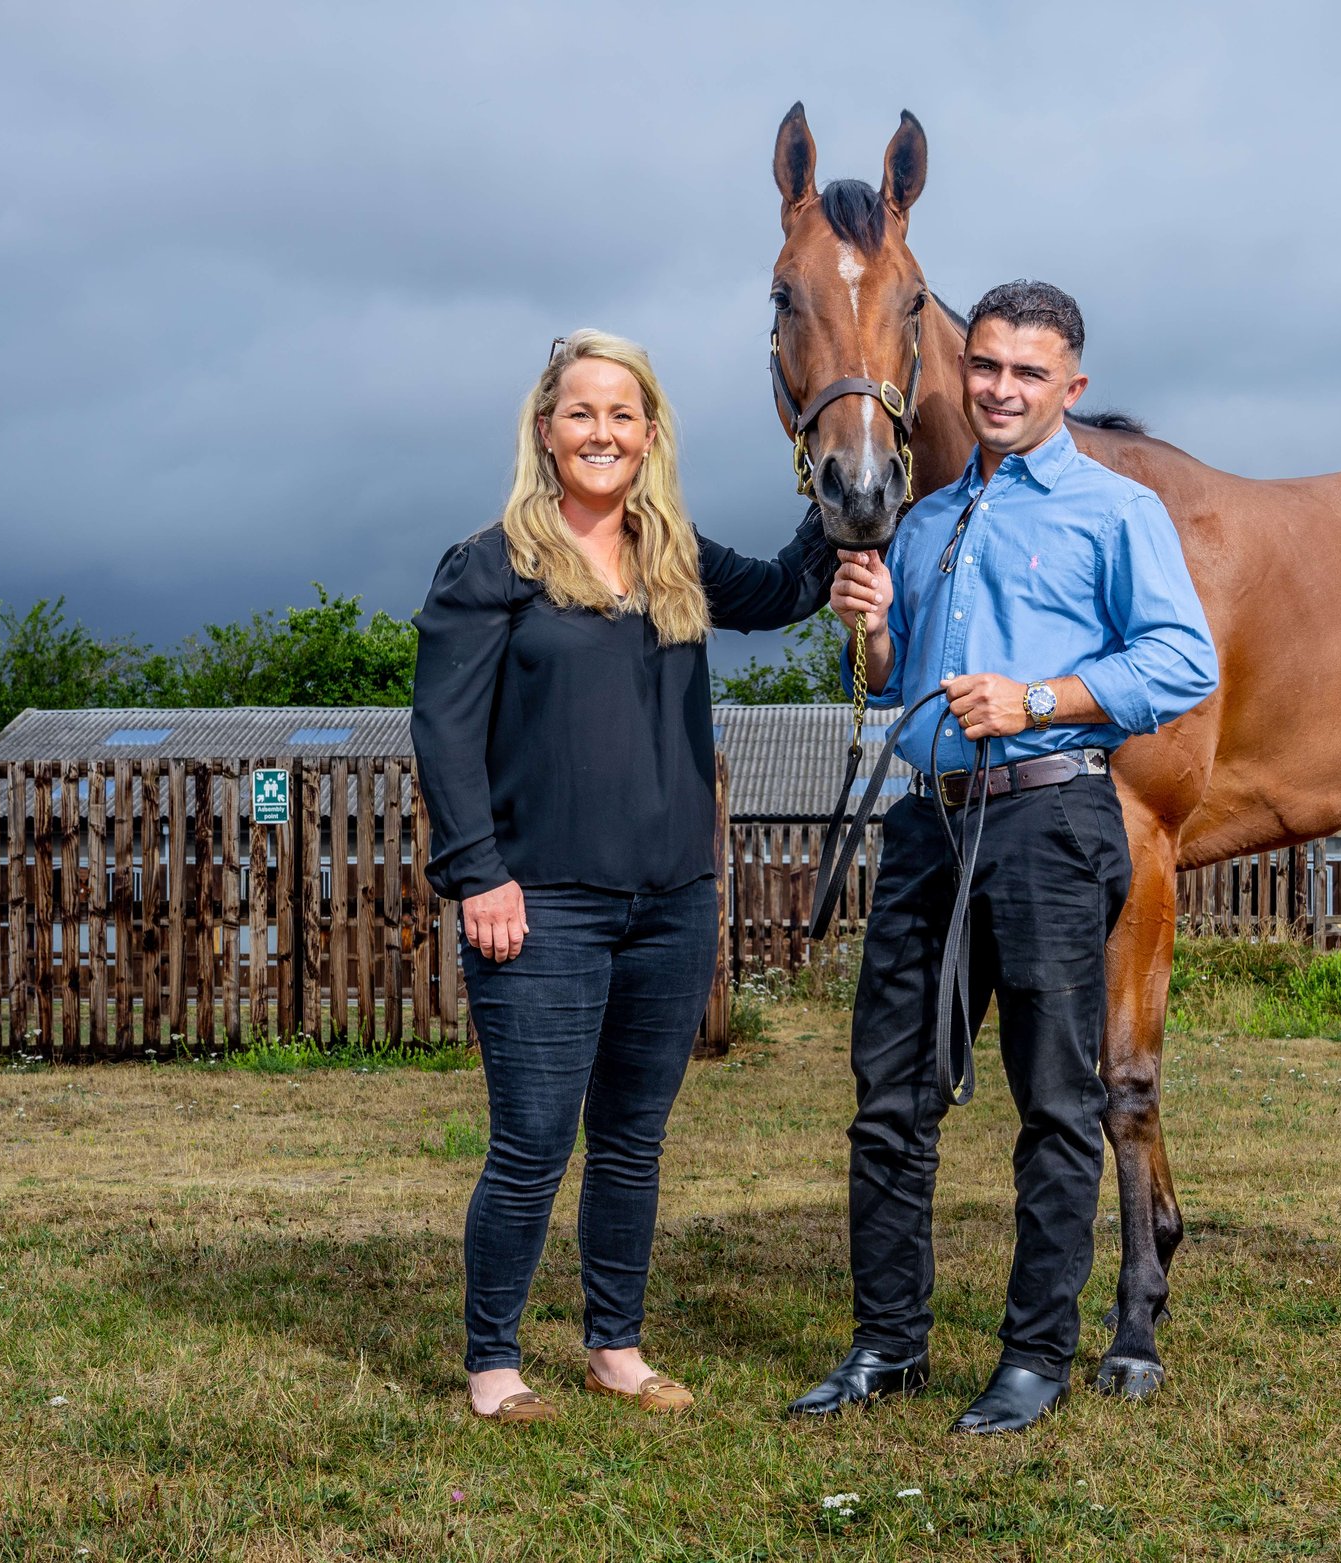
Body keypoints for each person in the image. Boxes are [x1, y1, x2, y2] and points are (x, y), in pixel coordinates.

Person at [789, 281, 1218, 1434]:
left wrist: (1038, 697)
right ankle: (887, 1343)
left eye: (1028, 373)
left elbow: (1185, 661)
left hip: (1050, 824)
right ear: (959, 368)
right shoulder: (922, 521)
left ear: (1069, 386)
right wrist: (872, 633)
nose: (1000, 390)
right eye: (985, 367)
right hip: (928, 823)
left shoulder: (1113, 510)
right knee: (890, 1097)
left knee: (1055, 1103)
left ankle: (1034, 1354)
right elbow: (889, 687)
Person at [412, 330, 831, 1423]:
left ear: (650, 436)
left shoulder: (674, 554)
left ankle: (614, 1347)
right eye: (580, 413)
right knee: (534, 1144)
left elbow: (790, 589)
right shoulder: (490, 563)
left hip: (672, 904)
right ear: (545, 431)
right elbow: (444, 735)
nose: (602, 432)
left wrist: (835, 467)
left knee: (633, 1143)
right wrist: (478, 880)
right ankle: (494, 1362)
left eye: (623, 414)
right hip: (539, 905)